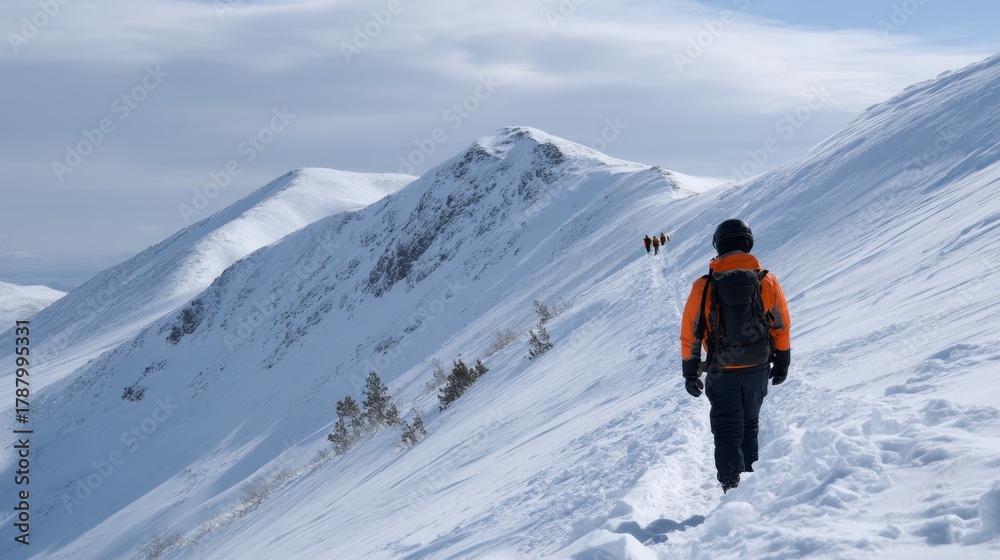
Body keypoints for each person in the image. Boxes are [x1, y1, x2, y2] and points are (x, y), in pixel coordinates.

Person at [679, 219, 791, 493]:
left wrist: (690, 372)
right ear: (747, 244)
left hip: (722, 371)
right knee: (750, 426)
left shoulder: (704, 285)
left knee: (727, 431)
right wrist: (783, 360)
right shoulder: (766, 280)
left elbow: (691, 332)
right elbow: (781, 325)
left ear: (719, 246)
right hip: (757, 367)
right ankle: (751, 488)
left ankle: (732, 488)